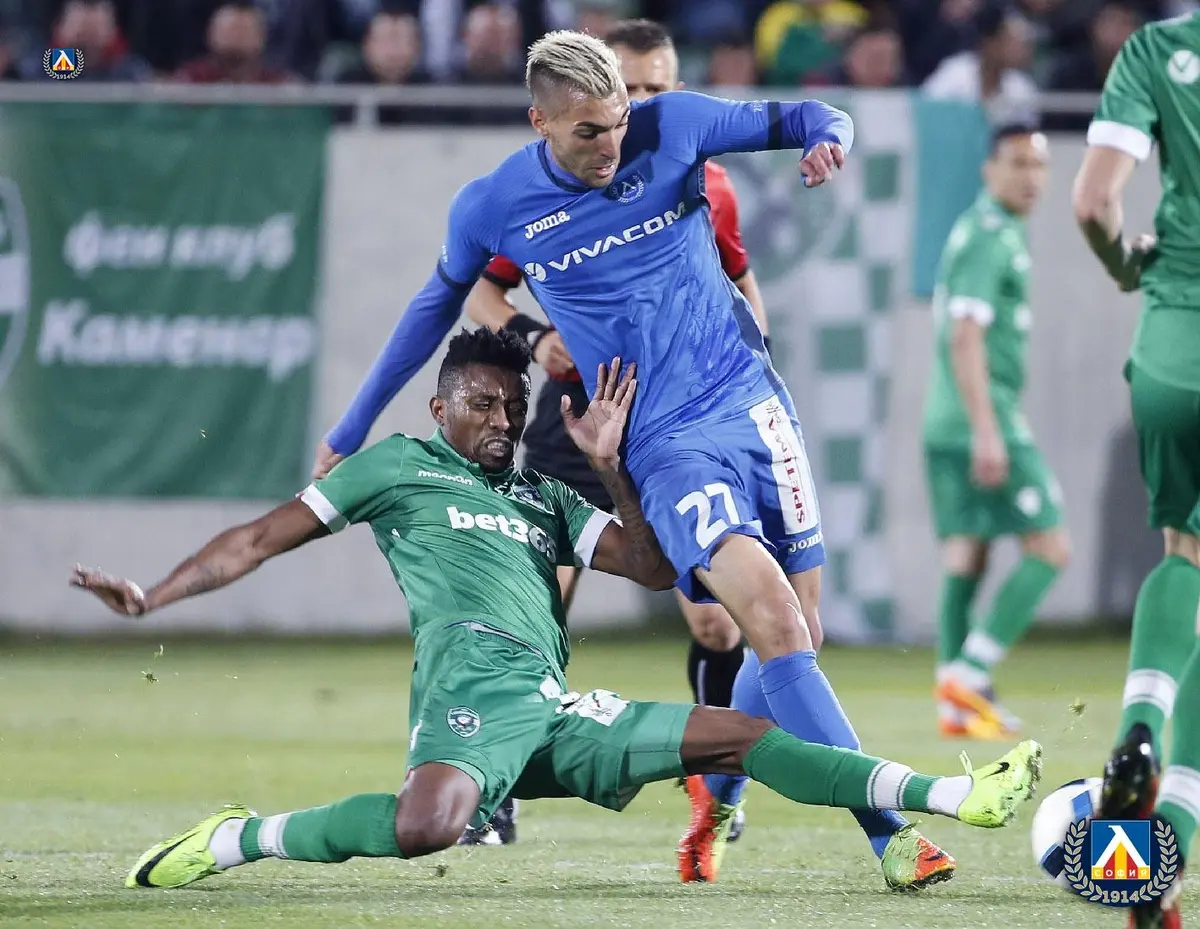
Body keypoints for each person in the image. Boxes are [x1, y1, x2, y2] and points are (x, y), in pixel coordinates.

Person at [72, 329, 1043, 890]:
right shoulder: (396, 468)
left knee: (743, 734)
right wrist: (154, 594)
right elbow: (256, 537)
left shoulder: (546, 497)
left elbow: (654, 568)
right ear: (441, 409)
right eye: (482, 405)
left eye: (511, 406)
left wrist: (613, 467)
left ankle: (949, 797)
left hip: (547, 702)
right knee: (427, 827)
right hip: (470, 687)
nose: (501, 421)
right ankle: (239, 836)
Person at [309, 29, 940, 888]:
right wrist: (351, 427)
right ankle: (894, 835)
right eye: (589, 131)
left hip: (755, 406)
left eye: (618, 122)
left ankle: (714, 799)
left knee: (801, 633)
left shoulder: (671, 126)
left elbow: (810, 113)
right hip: (664, 444)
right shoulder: (494, 204)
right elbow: (434, 308)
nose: (612, 144)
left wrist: (831, 139)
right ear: (539, 121)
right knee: (778, 624)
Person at [460, 17, 767, 848]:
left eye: (654, 89)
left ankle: (717, 786)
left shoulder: (701, 178)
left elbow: (742, 284)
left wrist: (753, 372)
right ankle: (494, 792)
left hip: (675, 427)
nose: (638, 107)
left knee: (717, 624)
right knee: (537, 613)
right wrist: (535, 339)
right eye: (628, 90)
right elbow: (482, 292)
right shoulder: (542, 190)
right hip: (578, 425)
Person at [1072, 12, 1200, 928]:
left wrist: (1127, 268)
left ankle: (1138, 726)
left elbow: (1093, 202)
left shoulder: (1155, 50)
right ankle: (1175, 842)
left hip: (1173, 342)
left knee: (1183, 553)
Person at [923, 124, 1070, 741]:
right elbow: (965, 337)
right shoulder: (989, 235)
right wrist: (988, 428)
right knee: (1051, 546)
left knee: (968, 549)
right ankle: (972, 672)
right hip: (980, 417)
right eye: (1017, 163)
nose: (1031, 177)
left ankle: (953, 700)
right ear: (989, 168)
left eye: (1039, 165)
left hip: (946, 418)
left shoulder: (988, 229)